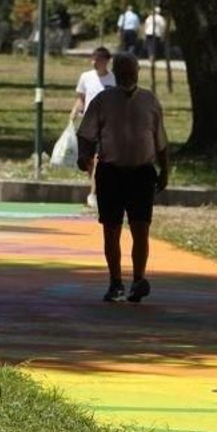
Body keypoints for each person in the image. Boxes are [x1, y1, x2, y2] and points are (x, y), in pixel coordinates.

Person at [76, 53, 169, 303]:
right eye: (123, 71)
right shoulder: (103, 100)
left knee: (141, 229)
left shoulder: (149, 101)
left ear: (138, 71)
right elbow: (85, 133)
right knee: (111, 230)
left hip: (142, 173)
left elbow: (161, 141)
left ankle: (138, 280)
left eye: (132, 71)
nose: (128, 75)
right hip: (111, 173)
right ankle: (115, 282)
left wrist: (165, 171)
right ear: (115, 73)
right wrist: (84, 156)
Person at [73, 47, 116, 211]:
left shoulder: (114, 79)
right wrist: (73, 114)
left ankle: (93, 194)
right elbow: (80, 99)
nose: (94, 62)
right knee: (88, 161)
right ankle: (98, 189)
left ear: (106, 61)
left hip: (106, 126)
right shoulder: (86, 77)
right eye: (93, 59)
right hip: (87, 124)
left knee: (99, 160)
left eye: (97, 59)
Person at [143, 6, 171, 92]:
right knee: (154, 47)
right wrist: (163, 36)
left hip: (149, 33)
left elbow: (146, 25)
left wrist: (145, 34)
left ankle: (151, 57)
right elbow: (163, 28)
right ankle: (153, 58)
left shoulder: (150, 17)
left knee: (150, 47)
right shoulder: (161, 18)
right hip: (156, 34)